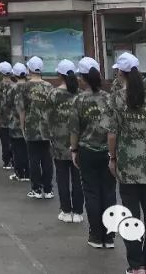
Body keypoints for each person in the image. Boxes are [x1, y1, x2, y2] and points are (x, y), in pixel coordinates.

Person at [108, 52, 146, 274]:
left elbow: (112, 134)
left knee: (131, 216)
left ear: (121, 72)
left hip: (127, 165)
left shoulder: (116, 99)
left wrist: (112, 158)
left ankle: (136, 265)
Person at [70, 57, 115, 250]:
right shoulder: (109, 98)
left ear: (82, 78)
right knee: (109, 192)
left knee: (91, 192)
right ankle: (109, 236)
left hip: (87, 151)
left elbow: (74, 129)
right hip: (107, 151)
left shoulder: (79, 99)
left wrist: (74, 150)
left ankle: (96, 235)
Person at [48, 59, 83, 222]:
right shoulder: (81, 94)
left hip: (59, 142)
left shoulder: (53, 94)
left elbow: (47, 118)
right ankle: (78, 212)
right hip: (79, 143)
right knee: (78, 178)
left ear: (59, 75)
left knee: (62, 177)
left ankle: (65, 210)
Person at [22, 56, 54, 199]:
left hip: (31, 127)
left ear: (29, 69)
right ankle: (48, 189)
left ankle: (35, 189)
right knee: (47, 158)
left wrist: (22, 127)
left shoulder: (25, 86)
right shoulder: (49, 86)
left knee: (33, 158)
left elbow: (22, 109)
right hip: (47, 128)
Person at [8, 63, 30, 182]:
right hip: (29, 122)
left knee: (17, 149)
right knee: (28, 150)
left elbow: (8, 103)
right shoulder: (29, 86)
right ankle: (28, 172)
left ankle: (19, 173)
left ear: (15, 74)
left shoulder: (13, 88)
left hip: (15, 123)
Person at [0, 62, 14, 169]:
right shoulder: (15, 85)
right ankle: (15, 160)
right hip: (14, 118)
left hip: (2, 117)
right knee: (14, 140)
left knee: (4, 140)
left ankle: (6, 161)